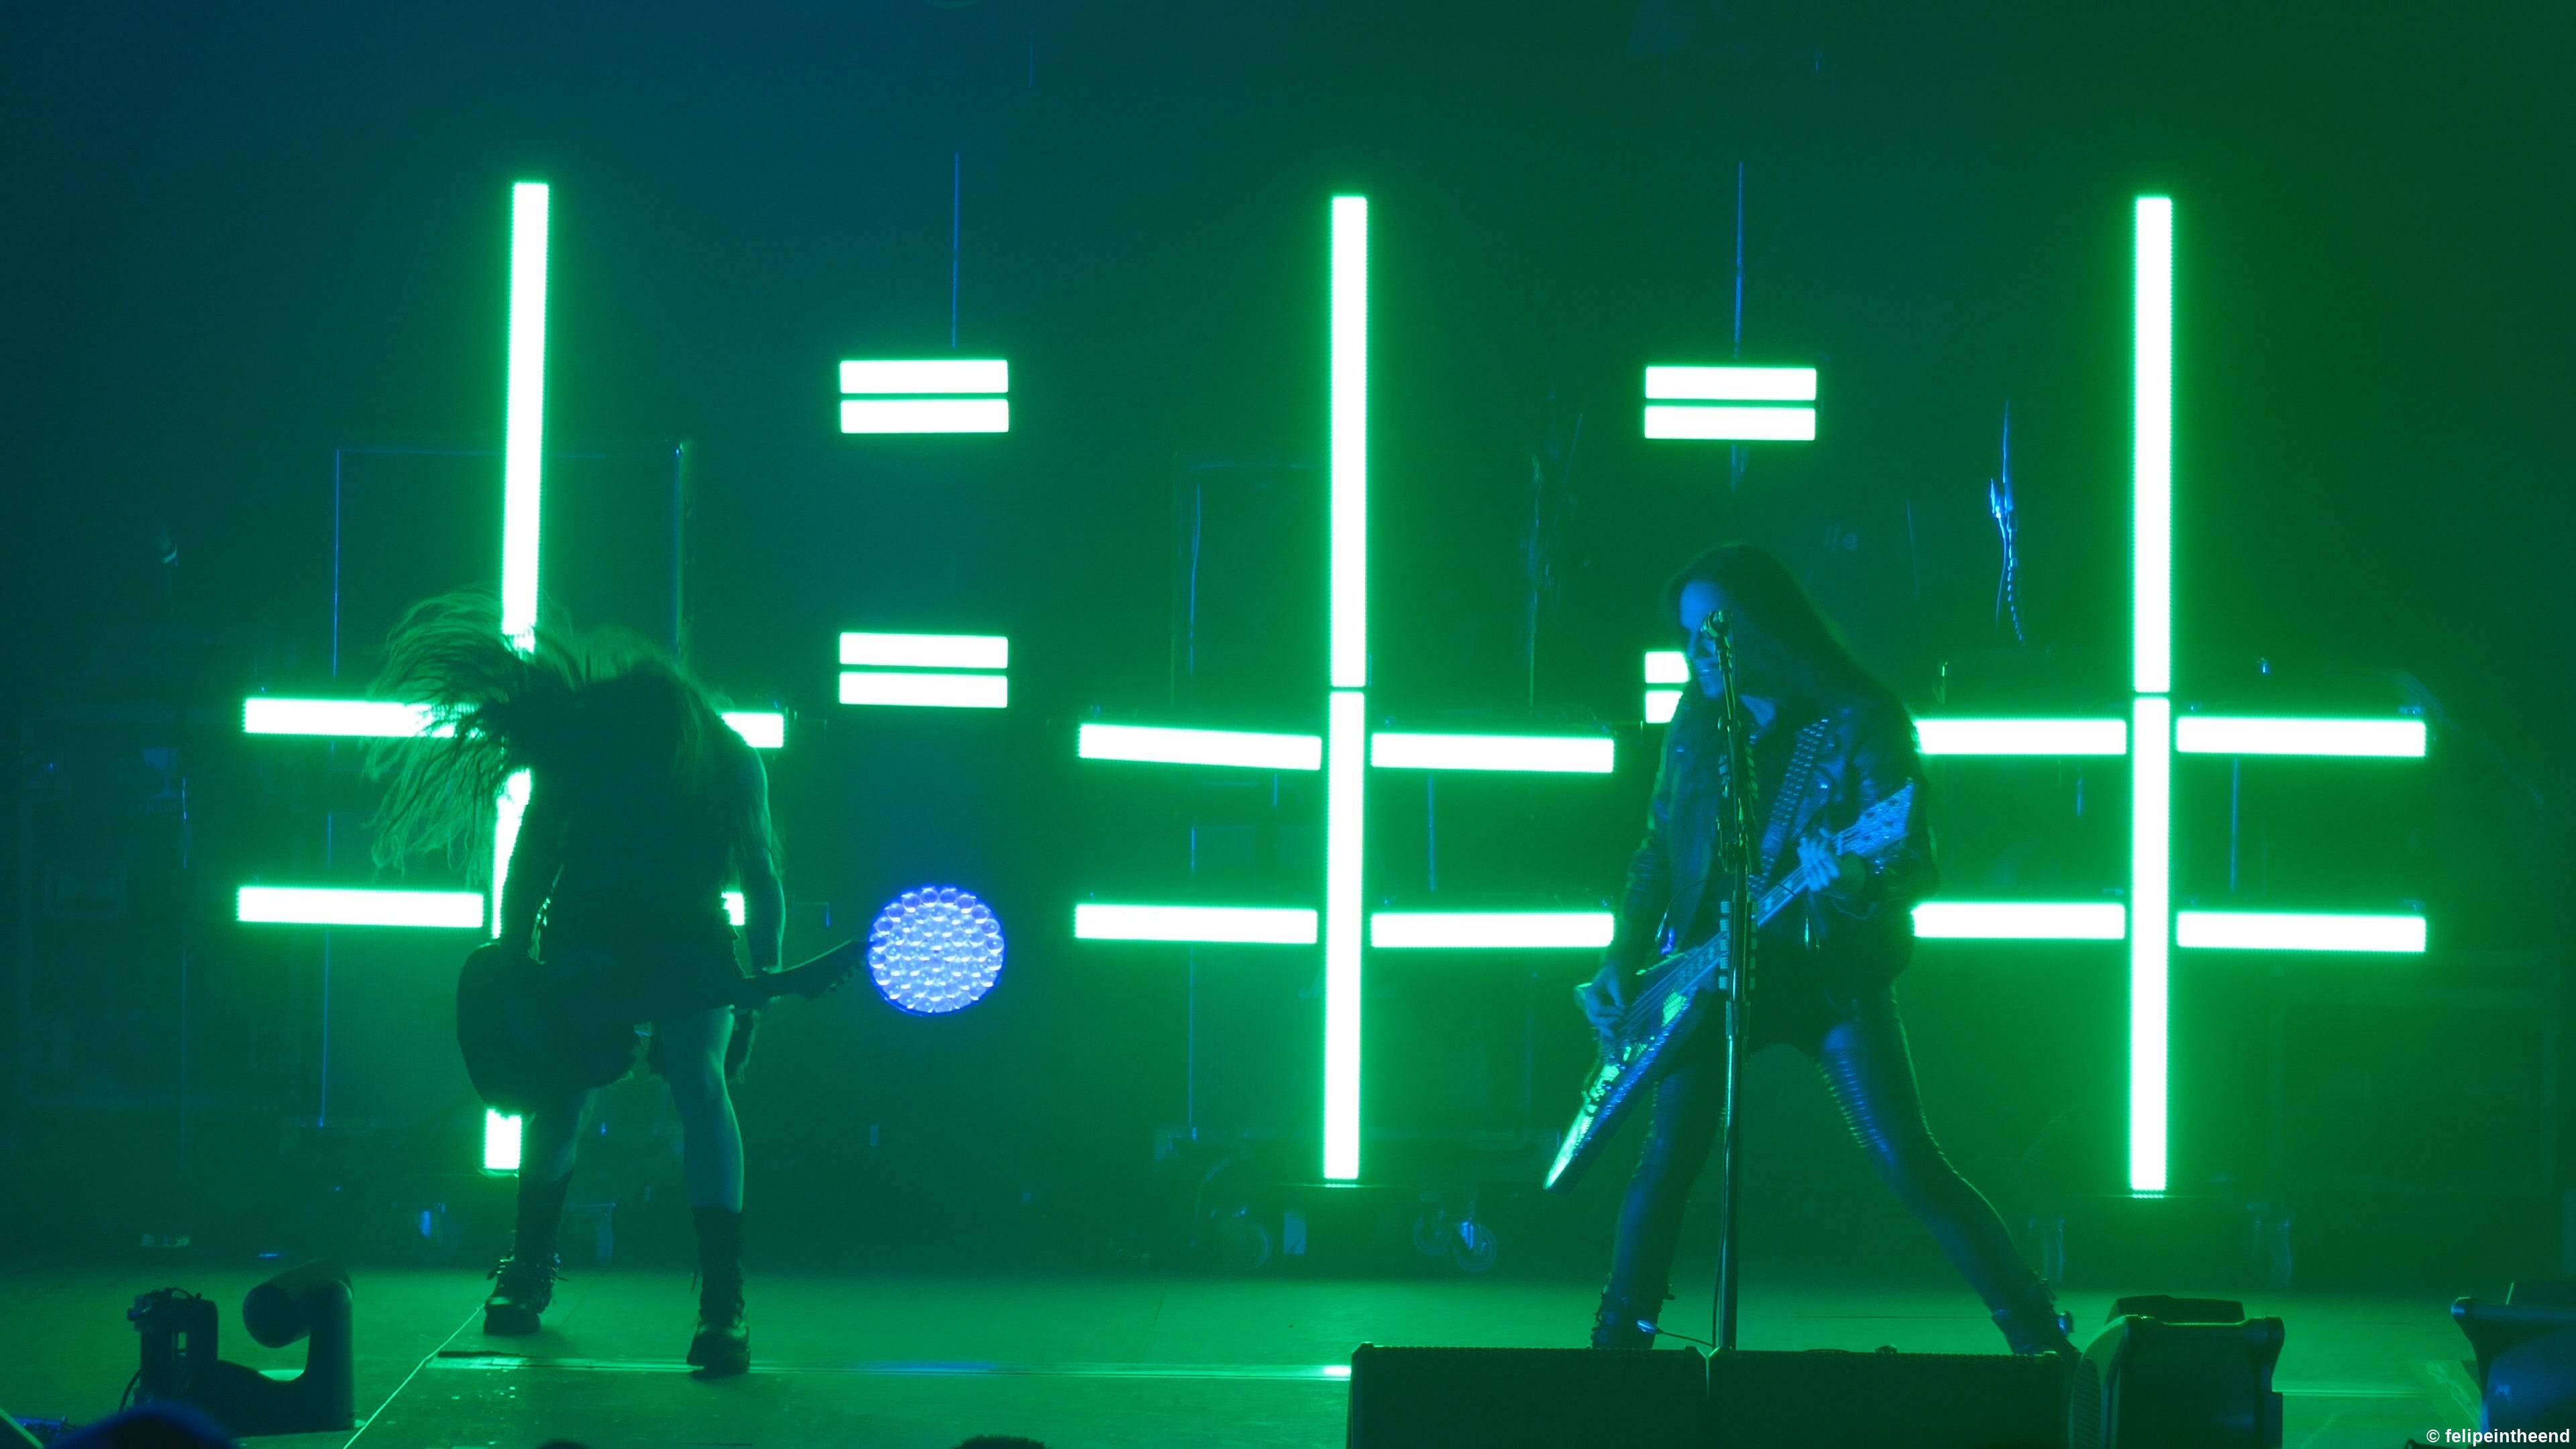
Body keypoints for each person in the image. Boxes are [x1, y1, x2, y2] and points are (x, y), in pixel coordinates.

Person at [1578, 544, 2075, 1358]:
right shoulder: (1697, 724)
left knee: (1907, 1157)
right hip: (1714, 973)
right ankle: (1616, 1349)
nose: (1698, 651)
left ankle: (2038, 1338)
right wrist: (1619, 956)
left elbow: (1911, 861)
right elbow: (1657, 852)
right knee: (1665, 1162)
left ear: (1764, 628)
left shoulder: (1857, 720)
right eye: (1689, 634)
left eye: (1715, 631)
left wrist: (1849, 881)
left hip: (1829, 977)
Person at [365, 592, 784, 1377]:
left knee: (624, 1093)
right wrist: (758, 981)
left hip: (641, 937)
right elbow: (759, 882)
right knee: (654, 1092)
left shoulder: (668, 752)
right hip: (628, 937)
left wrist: (517, 957)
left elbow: (536, 861)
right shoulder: (698, 754)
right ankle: (705, 1303)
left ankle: (585, 1280)